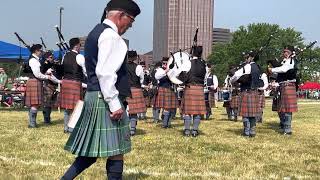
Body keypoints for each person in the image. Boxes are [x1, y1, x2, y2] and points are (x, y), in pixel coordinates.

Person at [62, 1, 140, 179]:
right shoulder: (112, 37)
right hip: (104, 97)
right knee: (117, 149)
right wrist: (114, 104)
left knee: (90, 152)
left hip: (93, 95)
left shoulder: (96, 32)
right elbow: (105, 73)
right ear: (121, 15)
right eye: (131, 20)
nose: (131, 25)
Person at [24, 44, 58, 128]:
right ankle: (32, 124)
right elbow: (37, 74)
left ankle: (32, 123)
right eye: (40, 50)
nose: (41, 52)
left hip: (34, 81)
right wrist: (47, 76)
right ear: (36, 51)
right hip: (35, 81)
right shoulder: (33, 60)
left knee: (33, 104)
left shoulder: (35, 59)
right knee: (34, 104)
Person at [230, 51, 262, 137]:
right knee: (253, 114)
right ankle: (252, 131)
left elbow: (236, 75)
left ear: (251, 57)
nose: (245, 59)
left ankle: (246, 131)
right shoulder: (258, 67)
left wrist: (231, 80)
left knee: (246, 114)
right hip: (254, 91)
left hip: (246, 91)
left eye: (247, 57)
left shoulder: (248, 66)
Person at [268, 46, 298, 135]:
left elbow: (284, 69)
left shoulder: (291, 61)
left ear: (292, 52)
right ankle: (283, 125)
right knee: (281, 108)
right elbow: (280, 71)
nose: (284, 53)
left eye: (287, 51)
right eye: (284, 51)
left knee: (287, 109)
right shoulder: (285, 61)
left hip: (288, 85)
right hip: (282, 85)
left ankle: (287, 130)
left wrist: (272, 69)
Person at [60, 37, 87, 133]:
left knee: (67, 107)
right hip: (75, 83)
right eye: (80, 45)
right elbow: (85, 71)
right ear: (76, 46)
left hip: (66, 82)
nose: (80, 47)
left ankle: (66, 128)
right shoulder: (79, 56)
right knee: (76, 107)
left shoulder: (65, 56)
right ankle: (71, 129)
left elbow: (62, 68)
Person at [180, 46, 207, 137]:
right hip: (199, 89)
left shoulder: (188, 63)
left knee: (187, 111)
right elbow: (205, 78)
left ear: (192, 53)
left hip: (190, 88)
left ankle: (187, 131)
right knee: (197, 111)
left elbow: (183, 77)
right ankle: (195, 131)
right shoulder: (204, 64)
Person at [126, 50, 146, 136]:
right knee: (133, 111)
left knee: (126, 110)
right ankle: (132, 130)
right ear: (134, 57)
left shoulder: (122, 66)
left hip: (125, 89)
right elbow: (141, 79)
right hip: (135, 89)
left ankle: (125, 128)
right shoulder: (138, 67)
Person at [154, 57, 178, 128]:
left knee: (169, 108)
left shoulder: (172, 70)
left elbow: (177, 77)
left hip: (170, 89)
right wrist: (166, 71)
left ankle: (168, 123)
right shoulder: (160, 70)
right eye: (163, 63)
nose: (164, 64)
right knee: (166, 108)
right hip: (162, 89)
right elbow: (157, 77)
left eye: (166, 63)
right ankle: (164, 124)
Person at [41, 51, 60, 124]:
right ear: (47, 58)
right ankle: (46, 120)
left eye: (52, 57)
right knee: (47, 103)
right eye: (51, 57)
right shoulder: (45, 65)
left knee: (50, 103)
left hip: (54, 86)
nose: (52, 58)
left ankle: (48, 119)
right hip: (48, 85)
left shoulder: (52, 65)